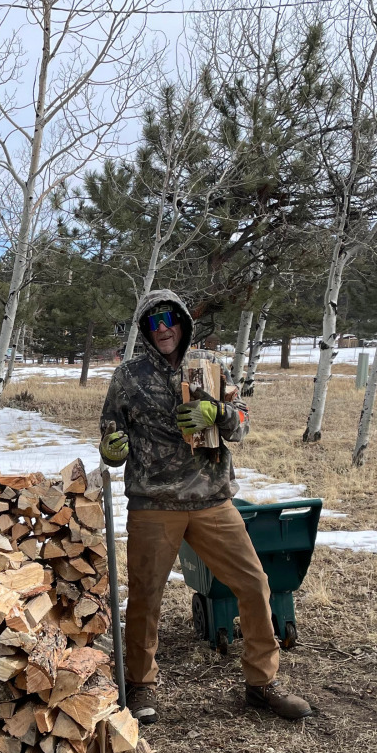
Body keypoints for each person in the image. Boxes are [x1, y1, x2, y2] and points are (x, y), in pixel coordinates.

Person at [98, 289, 312, 725]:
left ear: (182, 322)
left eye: (169, 319)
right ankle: (140, 685)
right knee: (145, 598)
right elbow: (111, 433)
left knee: (254, 584)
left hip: (212, 499)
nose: (163, 329)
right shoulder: (129, 376)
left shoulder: (210, 367)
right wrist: (111, 450)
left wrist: (217, 413)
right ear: (144, 329)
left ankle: (262, 682)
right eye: (154, 322)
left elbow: (242, 423)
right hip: (154, 502)